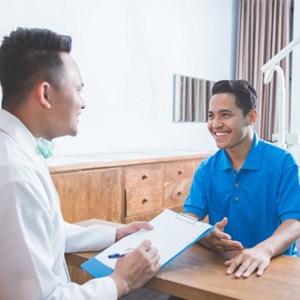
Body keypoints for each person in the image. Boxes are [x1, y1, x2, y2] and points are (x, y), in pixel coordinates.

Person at [0, 27, 160, 300]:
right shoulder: (14, 172)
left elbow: (48, 233)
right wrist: (119, 282)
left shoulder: (18, 150)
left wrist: (115, 234)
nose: (83, 103)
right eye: (78, 89)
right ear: (46, 94)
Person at [183, 79, 300, 279]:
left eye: (225, 115)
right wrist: (204, 234)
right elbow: (189, 217)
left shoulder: (283, 162)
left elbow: (294, 221)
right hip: (222, 265)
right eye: (211, 116)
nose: (215, 124)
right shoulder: (206, 168)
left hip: (273, 264)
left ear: (251, 117)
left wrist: (264, 250)